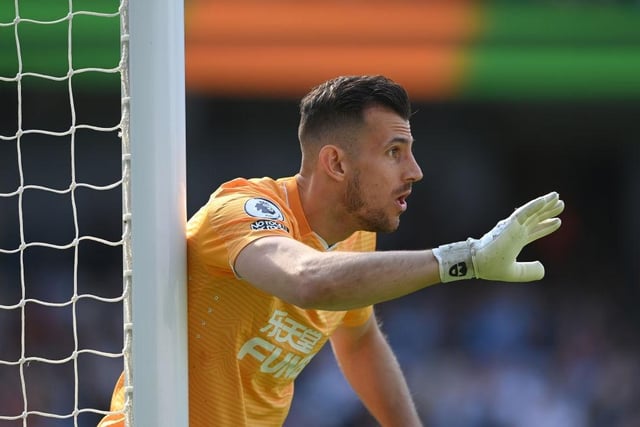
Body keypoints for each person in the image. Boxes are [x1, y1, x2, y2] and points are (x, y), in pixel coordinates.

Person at [98, 75, 564, 427]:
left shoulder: (356, 237)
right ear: (336, 163)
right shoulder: (243, 211)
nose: (416, 171)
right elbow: (309, 280)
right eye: (394, 152)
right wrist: (466, 259)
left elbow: (360, 340)